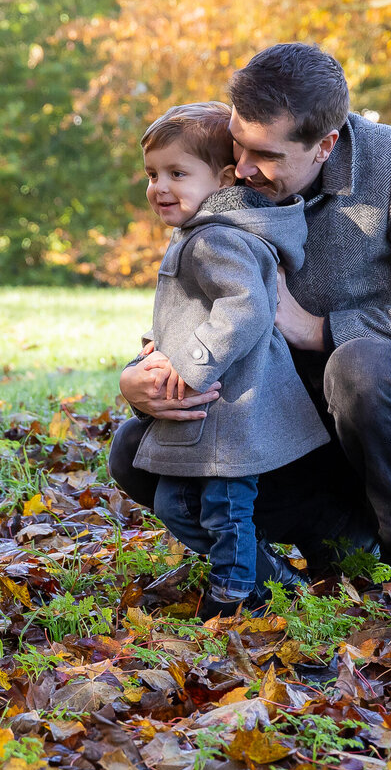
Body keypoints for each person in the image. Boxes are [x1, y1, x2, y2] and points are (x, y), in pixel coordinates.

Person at [108, 43, 391, 581]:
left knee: (360, 365)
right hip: (282, 421)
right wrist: (141, 382)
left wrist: (317, 329)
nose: (241, 170)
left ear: (325, 145)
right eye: (238, 146)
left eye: (264, 155)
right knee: (135, 450)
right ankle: (282, 564)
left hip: (389, 421)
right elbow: (202, 299)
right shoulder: (230, 172)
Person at [129, 101, 329, 618]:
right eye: (152, 174)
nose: (159, 187)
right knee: (181, 504)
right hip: (212, 401)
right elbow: (191, 308)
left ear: (220, 180)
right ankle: (269, 576)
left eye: (177, 173)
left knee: (225, 506)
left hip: (231, 401)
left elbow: (246, 307)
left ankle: (235, 592)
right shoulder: (200, 233)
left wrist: (189, 364)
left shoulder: (217, 237)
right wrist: (155, 349)